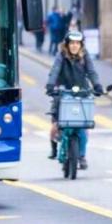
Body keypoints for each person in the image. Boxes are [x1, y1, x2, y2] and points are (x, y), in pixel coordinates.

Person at [45, 30, 102, 169]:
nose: (75, 46)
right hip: (63, 91)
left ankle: (81, 156)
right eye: (72, 43)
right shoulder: (61, 56)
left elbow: (92, 71)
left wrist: (97, 85)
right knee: (56, 124)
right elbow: (55, 70)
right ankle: (53, 148)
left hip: (82, 91)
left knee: (83, 125)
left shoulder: (85, 55)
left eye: (77, 43)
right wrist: (51, 85)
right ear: (67, 44)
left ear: (81, 45)